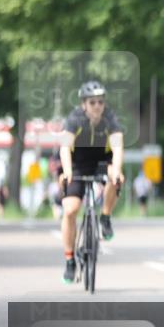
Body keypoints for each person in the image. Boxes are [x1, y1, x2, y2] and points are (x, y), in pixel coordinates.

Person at [58, 80, 124, 283]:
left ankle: (105, 217)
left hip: (102, 162)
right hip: (77, 164)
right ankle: (70, 260)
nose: (97, 106)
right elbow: (64, 146)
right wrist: (67, 171)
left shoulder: (110, 118)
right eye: (92, 102)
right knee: (70, 210)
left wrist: (117, 170)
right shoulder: (74, 119)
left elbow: (118, 146)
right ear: (84, 104)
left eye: (100, 102)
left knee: (116, 178)